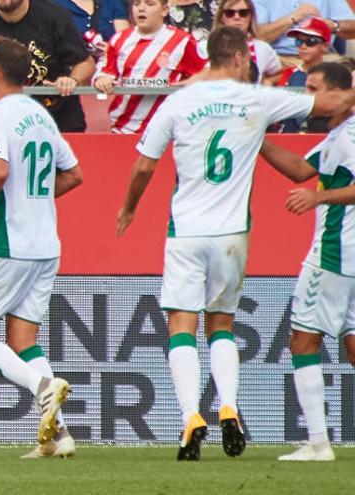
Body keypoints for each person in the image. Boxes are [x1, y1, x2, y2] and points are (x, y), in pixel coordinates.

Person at [115, 26, 355, 461]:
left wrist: (129, 208)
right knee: (221, 324)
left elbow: (144, 166)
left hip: (185, 231)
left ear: (209, 56)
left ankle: (190, 415)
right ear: (244, 58)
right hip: (232, 234)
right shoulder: (256, 99)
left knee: (181, 325)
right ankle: (229, 405)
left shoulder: (180, 100)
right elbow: (330, 108)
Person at [0, 36, 84, 459]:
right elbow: (74, 175)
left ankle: (41, 386)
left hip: (11, 244)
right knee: (24, 338)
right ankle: (59, 436)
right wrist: (36, 198)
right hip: (48, 243)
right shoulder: (41, 116)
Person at [257, 62, 355, 462]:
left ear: (338, 92)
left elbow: (317, 187)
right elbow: (301, 169)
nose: (306, 97)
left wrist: (319, 198)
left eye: (313, 89)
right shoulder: (338, 135)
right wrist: (256, 139)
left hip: (333, 253)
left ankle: (318, 442)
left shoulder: (350, 137)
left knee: (302, 337)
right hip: (350, 254)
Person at [0, 0, 96, 132]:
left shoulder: (54, 16)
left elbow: (86, 63)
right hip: (1, 120)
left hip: (57, 119)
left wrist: (71, 81)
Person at [92, 0, 206, 134]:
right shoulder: (118, 39)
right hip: (123, 129)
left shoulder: (182, 41)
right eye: (137, 4)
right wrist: (101, 80)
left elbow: (206, 72)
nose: (141, 9)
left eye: (149, 4)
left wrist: (179, 85)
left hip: (167, 130)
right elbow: (104, 72)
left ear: (164, 10)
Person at [208, 0, 282, 84]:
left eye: (243, 13)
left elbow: (279, 74)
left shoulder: (262, 48)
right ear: (221, 17)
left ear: (250, 17)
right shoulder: (204, 46)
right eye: (230, 13)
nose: (236, 17)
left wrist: (268, 82)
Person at [254, 0, 355, 59]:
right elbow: (258, 36)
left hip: (322, 56)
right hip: (279, 57)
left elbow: (353, 28)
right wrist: (293, 18)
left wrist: (332, 25)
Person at [53, 0, 130, 57]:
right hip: (71, 67)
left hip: (109, 65)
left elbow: (126, 46)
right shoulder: (54, 5)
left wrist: (111, 51)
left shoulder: (111, 3)